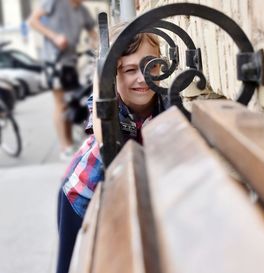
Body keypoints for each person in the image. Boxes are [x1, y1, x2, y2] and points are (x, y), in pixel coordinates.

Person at [56, 22, 164, 273]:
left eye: (152, 65)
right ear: (112, 74)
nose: (142, 78)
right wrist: (101, 75)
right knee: (71, 264)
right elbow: (106, 140)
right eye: (129, 69)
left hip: (121, 197)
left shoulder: (166, 104)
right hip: (80, 196)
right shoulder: (108, 103)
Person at [28, 0, 97, 160]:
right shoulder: (54, 2)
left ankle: (70, 143)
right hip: (54, 60)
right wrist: (55, 36)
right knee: (61, 104)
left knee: (71, 102)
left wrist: (101, 48)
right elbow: (33, 21)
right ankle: (65, 146)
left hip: (70, 61)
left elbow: (92, 32)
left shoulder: (82, 10)